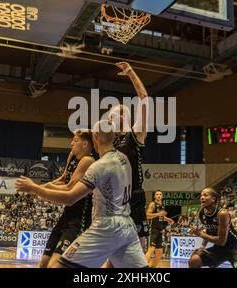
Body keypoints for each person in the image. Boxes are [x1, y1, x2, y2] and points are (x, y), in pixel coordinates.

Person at [16, 120, 147, 268]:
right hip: (127, 226)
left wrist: (34, 188)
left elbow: (70, 197)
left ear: (95, 136)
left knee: (59, 266)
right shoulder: (124, 159)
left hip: (106, 226)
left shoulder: (98, 166)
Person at [38, 129, 95, 268]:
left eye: (75, 141)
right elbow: (63, 179)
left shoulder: (87, 160)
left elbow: (70, 187)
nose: (71, 143)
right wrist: (41, 187)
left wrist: (40, 189)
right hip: (67, 214)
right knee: (44, 263)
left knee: (55, 265)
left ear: (85, 144)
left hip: (80, 218)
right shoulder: (72, 156)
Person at [109, 62, 150, 247]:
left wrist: (130, 73)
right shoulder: (109, 144)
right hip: (114, 198)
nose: (109, 118)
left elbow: (144, 98)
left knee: (139, 247)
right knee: (112, 249)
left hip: (134, 196)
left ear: (124, 116)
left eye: (113, 114)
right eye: (109, 116)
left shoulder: (135, 135)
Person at [188, 188, 237, 268]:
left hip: (233, 247)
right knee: (194, 260)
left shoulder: (222, 213)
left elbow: (221, 241)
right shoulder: (202, 213)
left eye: (205, 195)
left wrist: (200, 234)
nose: (202, 197)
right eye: (201, 195)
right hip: (218, 249)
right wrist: (202, 247)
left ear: (213, 199)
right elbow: (209, 230)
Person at [145, 190, 174, 268]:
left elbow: (160, 217)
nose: (158, 195)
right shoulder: (152, 204)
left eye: (160, 194)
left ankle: (153, 267)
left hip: (160, 230)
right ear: (154, 196)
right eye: (157, 194)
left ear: (162, 196)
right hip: (153, 228)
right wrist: (159, 214)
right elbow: (147, 215)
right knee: (151, 249)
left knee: (159, 252)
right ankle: (142, 266)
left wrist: (168, 219)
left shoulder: (162, 205)